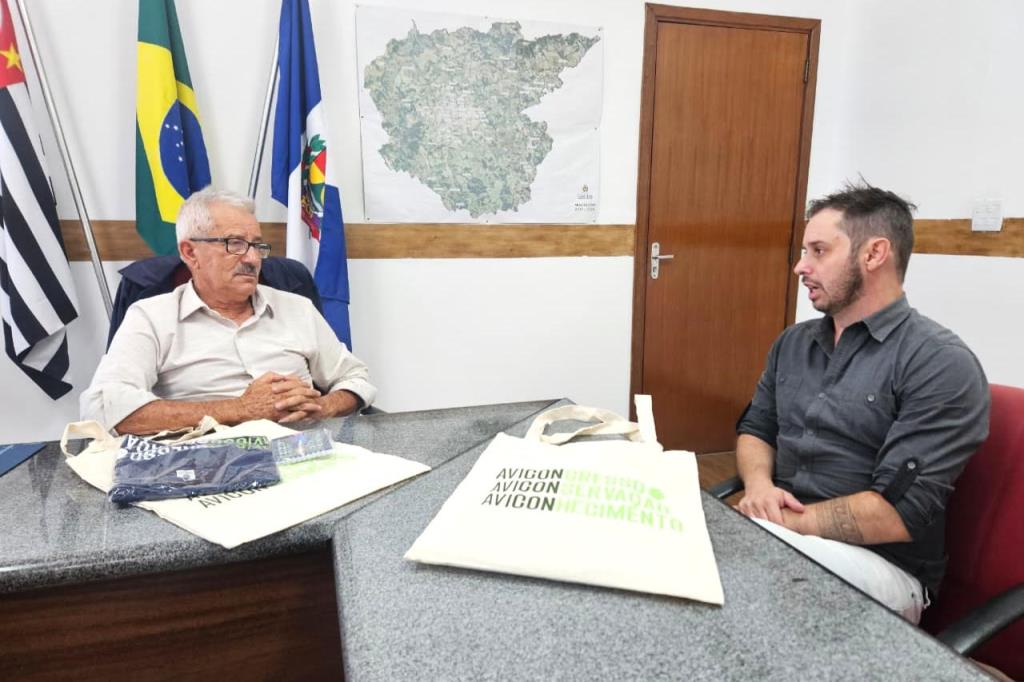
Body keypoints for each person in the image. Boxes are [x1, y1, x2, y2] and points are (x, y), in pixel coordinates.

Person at [735, 183, 989, 623]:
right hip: (784, 532)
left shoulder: (939, 363)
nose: (800, 266)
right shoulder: (793, 343)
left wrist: (779, 523)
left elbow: (895, 515)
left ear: (873, 255)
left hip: (883, 564)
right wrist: (758, 488)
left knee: (742, 593)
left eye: (818, 251)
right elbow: (756, 429)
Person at [80, 187, 375, 435]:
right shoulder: (151, 316)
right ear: (190, 252)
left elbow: (356, 379)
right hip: (203, 466)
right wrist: (240, 409)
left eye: (257, 245)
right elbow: (102, 407)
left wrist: (324, 407)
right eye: (235, 244)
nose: (252, 258)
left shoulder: (296, 307)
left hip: (304, 457)